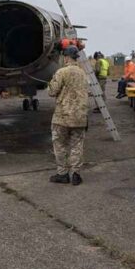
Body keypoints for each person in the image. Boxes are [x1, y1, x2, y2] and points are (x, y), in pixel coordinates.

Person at [47, 45, 89, 185]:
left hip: (62, 117)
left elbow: (52, 91)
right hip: (80, 117)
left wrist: (50, 83)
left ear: (65, 57)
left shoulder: (61, 72)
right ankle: (76, 174)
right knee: (77, 145)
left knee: (60, 145)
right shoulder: (83, 73)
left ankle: (63, 174)